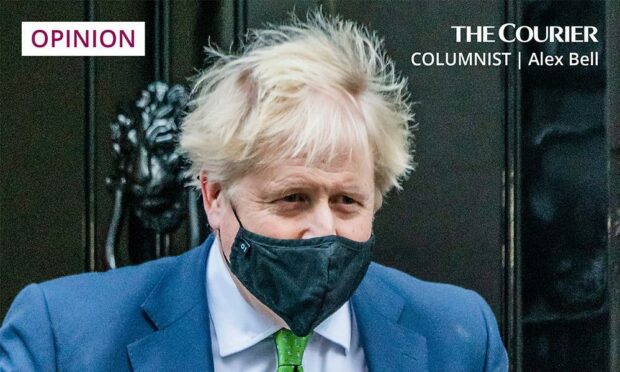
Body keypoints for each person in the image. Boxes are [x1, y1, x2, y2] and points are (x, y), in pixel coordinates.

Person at [0, 12, 508, 372]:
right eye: (292, 198)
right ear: (214, 195)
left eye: (347, 201)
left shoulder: (458, 337)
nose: (324, 229)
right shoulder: (63, 338)